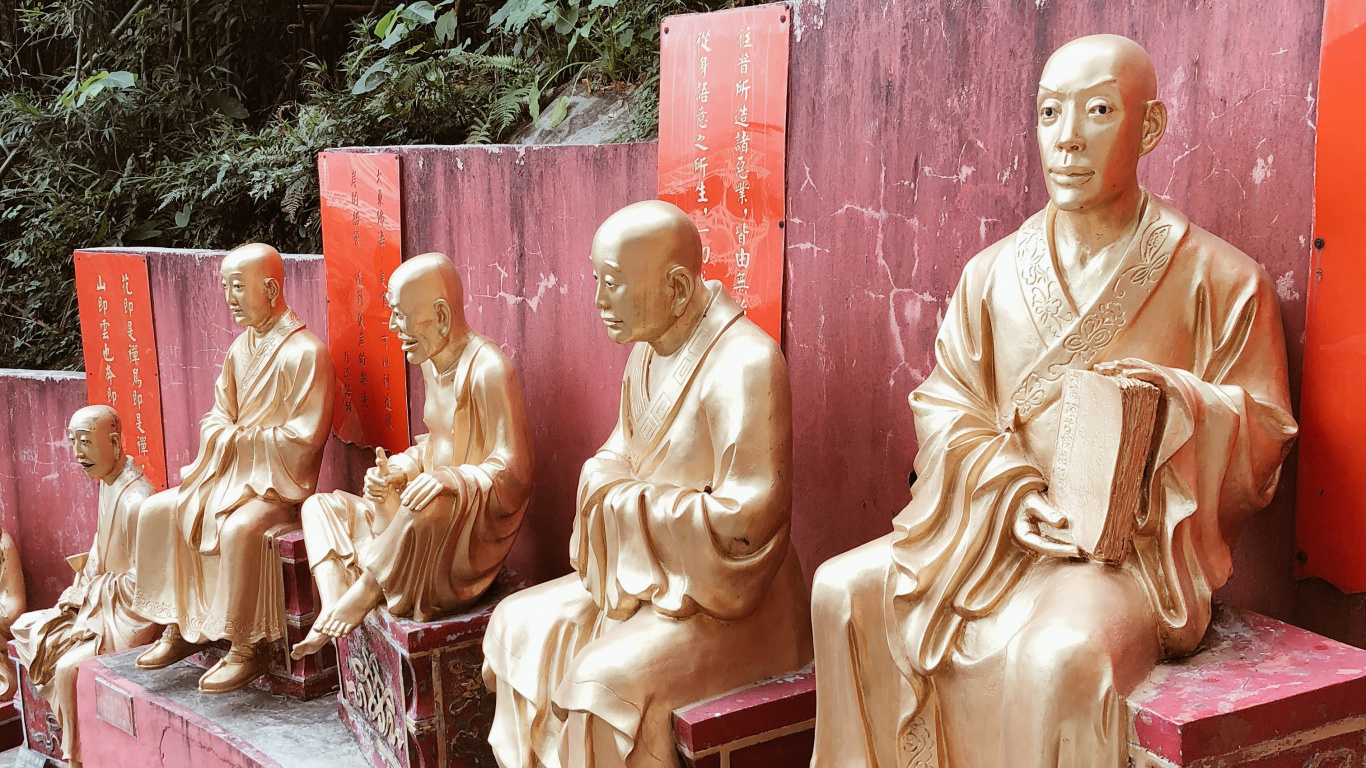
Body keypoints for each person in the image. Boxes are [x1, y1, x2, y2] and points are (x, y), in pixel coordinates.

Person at [809, 34, 1298, 768]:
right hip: (995, 526)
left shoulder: (1221, 280)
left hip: (1125, 559)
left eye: (1098, 111)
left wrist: (1170, 410)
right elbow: (946, 404)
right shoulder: (991, 274)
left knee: (1056, 656)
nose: (1067, 139)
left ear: (1151, 128)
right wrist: (1010, 492)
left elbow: (1264, 436)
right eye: (1048, 113)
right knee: (842, 591)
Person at [483, 201, 812, 768]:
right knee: (518, 623)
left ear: (678, 288)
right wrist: (608, 485)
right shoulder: (647, 352)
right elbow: (617, 454)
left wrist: (622, 499)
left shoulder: (746, 364)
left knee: (597, 688)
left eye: (612, 284)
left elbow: (747, 524)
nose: (598, 301)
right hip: (652, 580)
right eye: (595, 281)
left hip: (733, 604)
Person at [291, 252, 533, 659]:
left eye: (401, 316)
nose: (392, 327)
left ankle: (366, 589)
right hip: (415, 517)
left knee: (429, 504)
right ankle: (339, 604)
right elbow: (436, 444)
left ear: (440, 316)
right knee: (320, 507)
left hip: (458, 537)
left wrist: (451, 480)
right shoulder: (431, 361)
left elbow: (515, 470)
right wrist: (400, 469)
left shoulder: (489, 370)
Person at [132, 242, 335, 694]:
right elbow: (216, 416)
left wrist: (234, 440)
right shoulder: (239, 350)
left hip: (276, 486)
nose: (230, 299)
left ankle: (246, 646)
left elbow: (303, 439)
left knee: (241, 529)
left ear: (270, 288)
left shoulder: (305, 352)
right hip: (230, 475)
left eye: (238, 287)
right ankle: (180, 626)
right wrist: (224, 435)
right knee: (161, 510)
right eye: (225, 288)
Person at [11, 405, 159, 766]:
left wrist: (91, 594)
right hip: (99, 604)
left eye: (86, 443)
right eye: (74, 443)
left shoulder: (138, 500)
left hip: (127, 616)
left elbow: (148, 582)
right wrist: (81, 585)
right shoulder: (108, 484)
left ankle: (75, 757)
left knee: (66, 669)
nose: (78, 454)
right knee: (25, 625)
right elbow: (98, 550)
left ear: (113, 442)